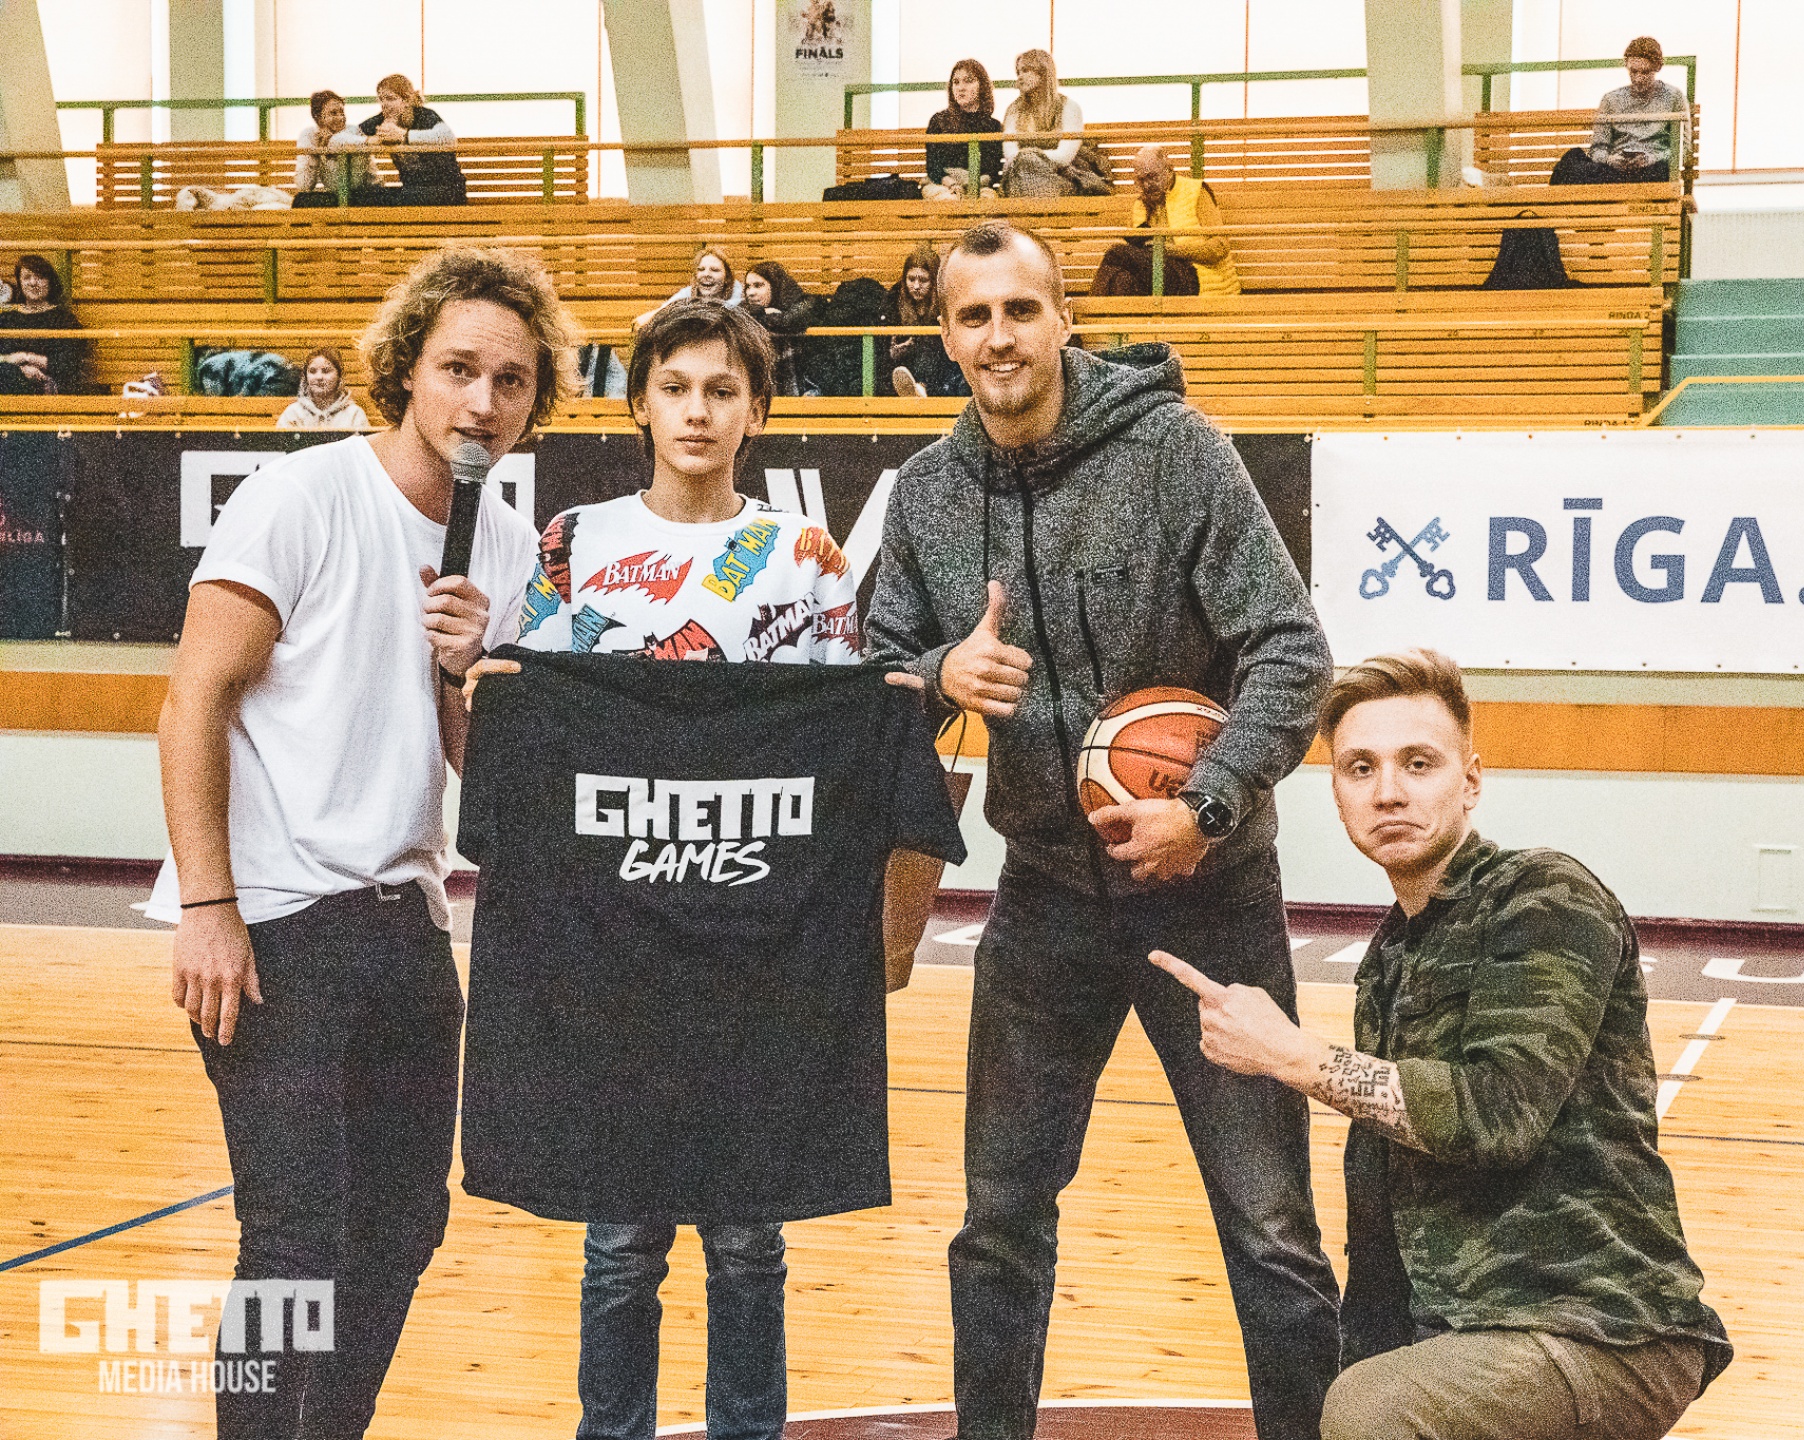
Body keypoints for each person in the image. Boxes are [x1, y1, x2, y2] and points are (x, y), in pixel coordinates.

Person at [867, 218, 1342, 1440]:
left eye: (1020, 309)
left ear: (1065, 318)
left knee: (1270, 1226)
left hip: (1209, 894)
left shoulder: (1178, 453)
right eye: (973, 316)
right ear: (944, 336)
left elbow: (1291, 650)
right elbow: (870, 677)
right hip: (1042, 899)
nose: (999, 337)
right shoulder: (925, 495)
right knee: (998, 1222)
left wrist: (1206, 804)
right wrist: (937, 673)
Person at [147, 244, 570, 1437]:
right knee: (292, 1236)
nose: (481, 402)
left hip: (405, 919)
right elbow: (193, 702)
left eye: (511, 380)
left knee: (402, 1225)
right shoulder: (304, 496)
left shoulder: (503, 545)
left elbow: (484, 776)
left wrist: (464, 673)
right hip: (276, 920)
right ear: (406, 369)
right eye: (458, 369)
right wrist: (208, 908)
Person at [1152, 649, 1733, 1440]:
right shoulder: (1392, 956)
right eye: (1359, 768)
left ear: (1470, 780)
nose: (1387, 790)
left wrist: (1291, 1054)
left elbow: (1497, 1116)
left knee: (1371, 1413)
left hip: (1594, 1328)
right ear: (1337, 794)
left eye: (1417, 763)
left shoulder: (1544, 895)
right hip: (1460, 1331)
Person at [462, 298, 861, 1440]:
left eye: (722, 390)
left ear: (758, 411)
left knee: (747, 1236)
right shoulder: (573, 541)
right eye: (675, 387)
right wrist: (473, 675)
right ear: (637, 402)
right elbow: (527, 724)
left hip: (754, 945)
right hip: (614, 948)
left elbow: (843, 735)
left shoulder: (806, 557)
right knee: (622, 1237)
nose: (697, 412)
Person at [1088, 145, 1239, 298]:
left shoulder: (1196, 191)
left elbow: (1220, 247)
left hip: (1193, 275)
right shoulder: (1139, 206)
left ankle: (1087, 310)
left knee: (1116, 253)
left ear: (1169, 170)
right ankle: (1097, 312)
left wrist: (1172, 251)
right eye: (1141, 180)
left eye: (1152, 177)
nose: (1147, 185)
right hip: (1158, 277)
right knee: (1122, 280)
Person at [1550, 36, 1688, 185]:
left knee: (1660, 169)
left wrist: (1651, 158)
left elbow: (1684, 149)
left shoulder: (1673, 97)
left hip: (1652, 169)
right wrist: (1610, 160)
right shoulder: (1611, 100)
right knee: (1572, 158)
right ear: (1627, 67)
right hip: (1614, 170)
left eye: (1645, 72)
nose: (1638, 79)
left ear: (1657, 67)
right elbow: (1598, 147)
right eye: (1633, 72)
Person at [359, 73, 467, 205]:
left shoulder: (424, 115)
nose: (384, 104)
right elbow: (347, 135)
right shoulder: (380, 121)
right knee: (364, 196)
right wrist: (371, 140)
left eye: (390, 99)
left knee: (398, 199)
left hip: (448, 191)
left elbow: (448, 138)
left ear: (407, 100)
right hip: (411, 191)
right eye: (381, 99)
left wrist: (404, 135)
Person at [0, 255, 87, 395]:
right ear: (20, 283)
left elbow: (69, 363)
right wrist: (20, 368)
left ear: (50, 282)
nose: (33, 282)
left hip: (51, 384)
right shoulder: (6, 319)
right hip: (11, 382)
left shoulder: (64, 319)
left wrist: (29, 358)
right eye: (27, 277)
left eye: (40, 277)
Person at [1002, 50, 1084, 197]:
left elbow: (1064, 156)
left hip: (1060, 176)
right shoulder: (1014, 110)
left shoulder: (1069, 107)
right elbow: (1010, 154)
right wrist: (1028, 159)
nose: (1020, 76)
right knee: (1024, 171)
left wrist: (1031, 156)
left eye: (1026, 70)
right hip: (1020, 176)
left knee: (1027, 168)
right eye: (1018, 72)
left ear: (1043, 72)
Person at [882, 242, 959, 398]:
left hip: (938, 366)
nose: (916, 286)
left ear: (934, 281)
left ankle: (921, 387)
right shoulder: (894, 299)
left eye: (923, 280)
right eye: (911, 279)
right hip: (903, 364)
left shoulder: (945, 300)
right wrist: (894, 352)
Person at [924, 58, 1005, 200]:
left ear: (982, 86)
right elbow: (933, 167)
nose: (961, 87)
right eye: (956, 82)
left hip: (980, 186)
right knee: (948, 201)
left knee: (986, 201)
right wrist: (952, 184)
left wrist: (972, 186)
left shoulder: (993, 126)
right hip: (943, 185)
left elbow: (991, 171)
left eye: (968, 81)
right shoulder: (938, 121)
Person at [744, 261, 818, 397]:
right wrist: (763, 313)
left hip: (804, 391)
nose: (751, 293)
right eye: (748, 287)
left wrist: (764, 315)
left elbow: (788, 321)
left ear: (775, 285)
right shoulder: (743, 311)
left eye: (758, 286)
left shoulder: (804, 304)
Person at [293, 89, 380, 198]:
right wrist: (314, 157)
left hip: (365, 192)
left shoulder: (352, 131)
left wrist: (331, 141)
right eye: (333, 113)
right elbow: (304, 186)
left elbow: (354, 184)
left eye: (342, 112)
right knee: (301, 200)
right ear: (318, 117)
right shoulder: (309, 136)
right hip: (336, 195)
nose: (340, 118)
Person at [635, 245, 742, 331]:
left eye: (714, 270)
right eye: (701, 269)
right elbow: (663, 310)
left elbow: (718, 314)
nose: (706, 274)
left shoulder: (739, 296)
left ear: (727, 277)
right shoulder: (689, 292)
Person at [276, 347, 372, 430]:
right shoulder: (293, 413)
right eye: (312, 371)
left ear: (339, 376)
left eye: (326, 371)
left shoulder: (354, 414)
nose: (319, 377)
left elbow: (364, 445)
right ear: (305, 377)